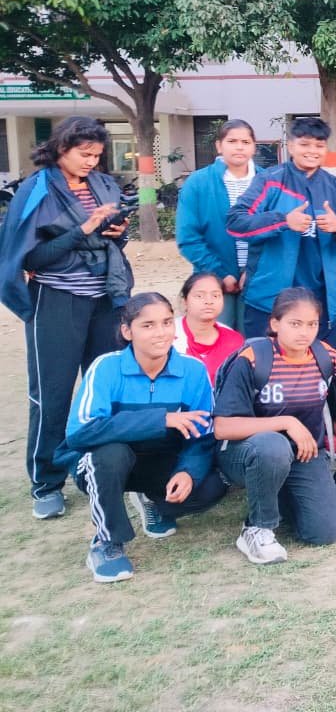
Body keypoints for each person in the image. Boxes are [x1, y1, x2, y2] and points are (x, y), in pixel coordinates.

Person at [0, 116, 133, 520]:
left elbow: (114, 238)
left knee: (102, 389)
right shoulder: (37, 189)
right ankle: (46, 481)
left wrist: (117, 231)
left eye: (97, 154)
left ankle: (96, 469)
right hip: (56, 300)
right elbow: (31, 257)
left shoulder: (103, 184)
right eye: (84, 154)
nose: (92, 161)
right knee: (52, 393)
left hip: (105, 299)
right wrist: (84, 229)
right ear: (61, 149)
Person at [57, 293, 226, 582]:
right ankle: (107, 542)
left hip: (160, 458)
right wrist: (161, 419)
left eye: (165, 323)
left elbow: (203, 436)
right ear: (127, 331)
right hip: (104, 462)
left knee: (210, 487)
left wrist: (188, 471)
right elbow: (80, 432)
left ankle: (153, 502)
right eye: (147, 325)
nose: (160, 333)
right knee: (110, 454)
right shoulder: (106, 367)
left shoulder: (193, 371)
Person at [213, 288, 336, 565]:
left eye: (312, 324)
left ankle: (278, 497)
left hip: (303, 455)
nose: (304, 332)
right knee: (273, 445)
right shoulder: (253, 358)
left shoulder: (326, 357)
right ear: (275, 324)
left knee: (324, 530)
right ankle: (257, 528)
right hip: (248, 453)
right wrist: (286, 422)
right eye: (295, 323)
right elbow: (222, 427)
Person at [227, 116, 336, 347]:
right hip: (269, 301)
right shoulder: (269, 181)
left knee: (323, 371)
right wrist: (283, 221)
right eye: (304, 144)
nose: (312, 151)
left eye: (319, 145)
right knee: (264, 369)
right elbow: (236, 222)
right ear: (291, 146)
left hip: (323, 303)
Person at [176, 118, 257, 329]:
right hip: (212, 280)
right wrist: (220, 274)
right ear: (219, 146)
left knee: (256, 345)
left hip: (258, 279)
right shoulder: (198, 183)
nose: (239, 147)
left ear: (254, 147)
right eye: (232, 141)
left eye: (246, 142)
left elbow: (276, 232)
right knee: (216, 340)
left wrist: (253, 270)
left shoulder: (268, 181)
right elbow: (188, 238)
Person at [173, 271, 244, 385]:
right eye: (199, 296)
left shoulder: (234, 340)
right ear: (185, 301)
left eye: (215, 295)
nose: (208, 301)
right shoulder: (168, 336)